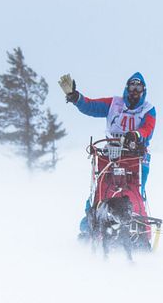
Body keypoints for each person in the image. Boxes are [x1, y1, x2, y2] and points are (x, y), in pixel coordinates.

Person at [58, 72, 156, 238]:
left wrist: (136, 135)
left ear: (143, 90)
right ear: (126, 88)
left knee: (136, 192)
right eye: (132, 86)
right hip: (112, 153)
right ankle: (91, 224)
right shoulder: (114, 104)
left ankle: (141, 230)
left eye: (138, 87)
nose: (134, 91)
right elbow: (91, 106)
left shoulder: (148, 109)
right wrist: (76, 97)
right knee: (101, 189)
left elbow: (148, 128)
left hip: (136, 156)